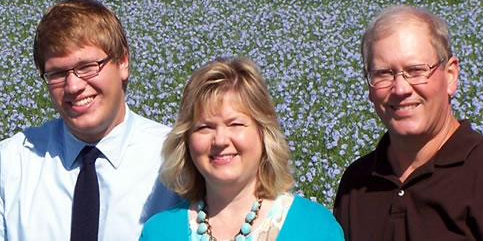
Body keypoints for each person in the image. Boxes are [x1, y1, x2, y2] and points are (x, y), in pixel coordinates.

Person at [0, 0, 181, 240]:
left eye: (87, 66)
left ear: (123, 62)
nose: (73, 86)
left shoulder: (174, 159)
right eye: (58, 73)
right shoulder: (13, 164)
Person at [332, 5, 483, 240]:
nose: (400, 88)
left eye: (415, 70)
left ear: (451, 75)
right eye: (383, 73)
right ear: (369, 86)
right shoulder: (356, 184)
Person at [140, 58, 344, 241]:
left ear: (263, 133)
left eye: (235, 124)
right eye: (204, 127)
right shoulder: (160, 232)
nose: (220, 140)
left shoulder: (316, 229)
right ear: (185, 140)